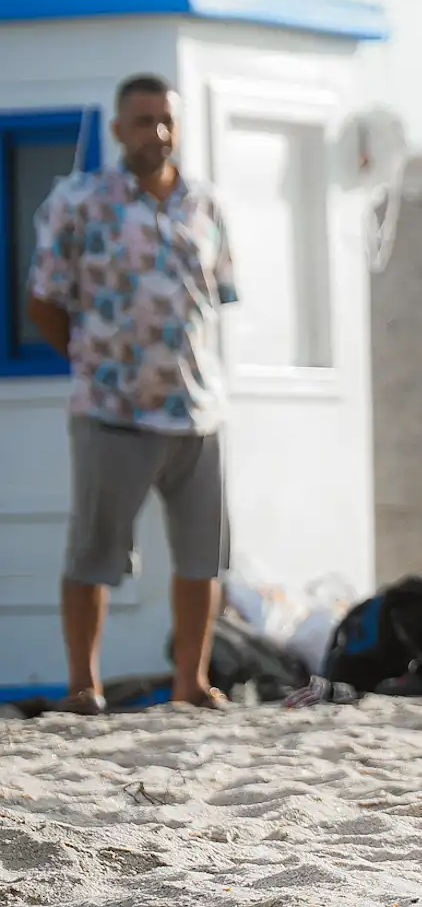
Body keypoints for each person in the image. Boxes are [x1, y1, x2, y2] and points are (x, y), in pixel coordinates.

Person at [26, 73, 240, 713]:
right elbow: (44, 300)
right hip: (112, 410)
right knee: (94, 553)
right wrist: (92, 362)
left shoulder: (205, 205)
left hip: (196, 411)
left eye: (167, 120)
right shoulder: (79, 202)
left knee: (203, 555)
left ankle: (190, 683)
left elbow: (218, 297)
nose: (159, 133)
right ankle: (83, 687)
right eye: (145, 121)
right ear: (119, 129)